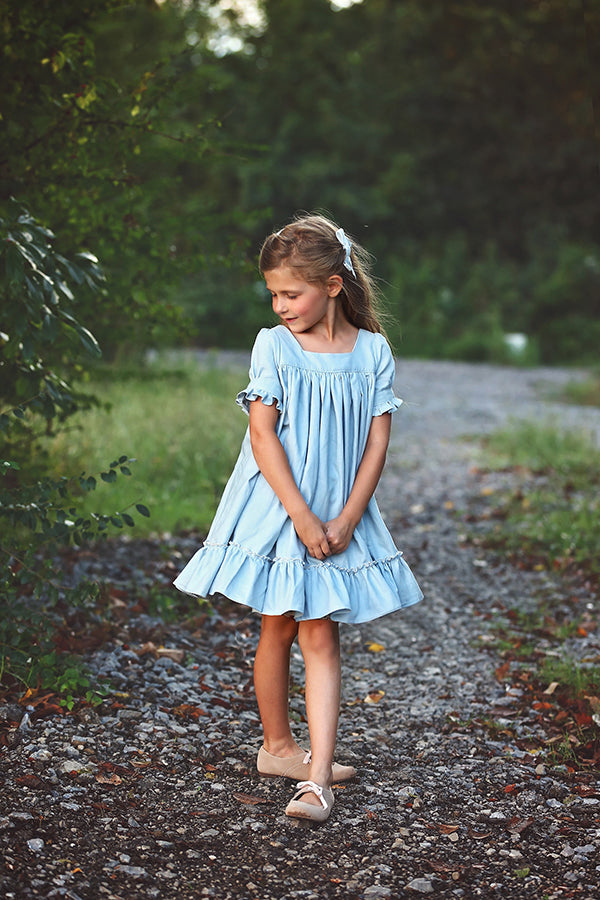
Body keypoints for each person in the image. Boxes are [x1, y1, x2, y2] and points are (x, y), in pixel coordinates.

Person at [174, 214, 423, 822]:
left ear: (334, 286)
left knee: (319, 629)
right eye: (274, 295)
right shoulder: (275, 345)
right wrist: (304, 519)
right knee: (277, 626)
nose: (282, 305)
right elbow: (262, 436)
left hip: (340, 514)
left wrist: (347, 518)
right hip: (280, 506)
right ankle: (279, 748)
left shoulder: (372, 352)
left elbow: (376, 445)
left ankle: (316, 781)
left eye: (293, 293)